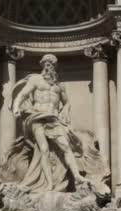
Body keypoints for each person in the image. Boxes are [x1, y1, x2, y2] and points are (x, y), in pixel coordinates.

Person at [10, 54, 89, 191]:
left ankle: (77, 176)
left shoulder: (60, 86)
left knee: (65, 146)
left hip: (53, 118)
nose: (48, 66)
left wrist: (65, 110)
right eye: (46, 64)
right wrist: (16, 107)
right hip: (37, 117)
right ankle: (49, 183)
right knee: (44, 149)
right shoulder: (35, 80)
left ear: (54, 67)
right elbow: (22, 95)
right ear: (42, 65)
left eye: (51, 64)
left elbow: (67, 103)